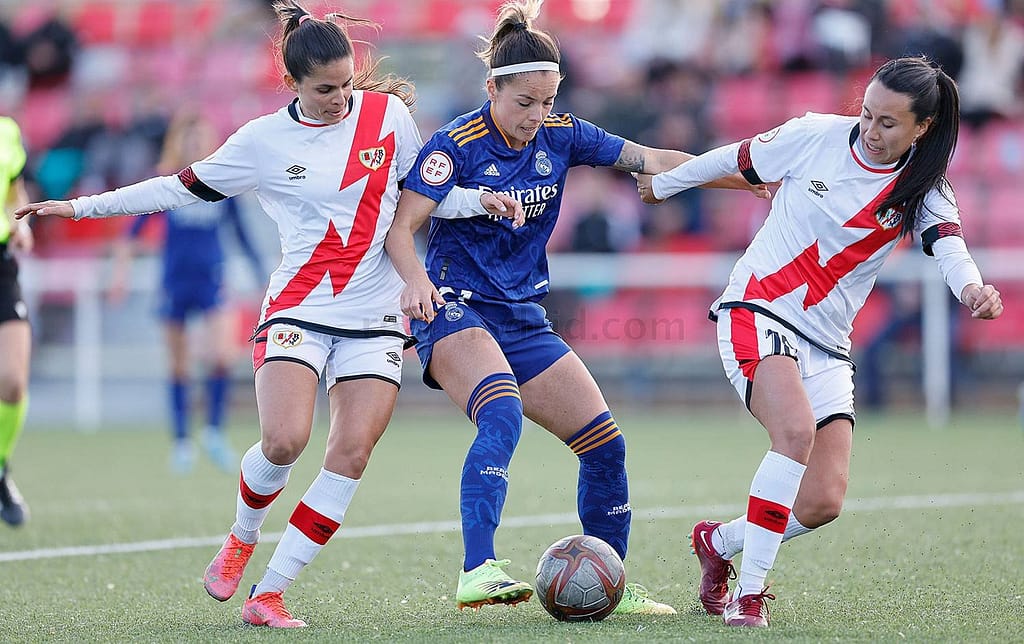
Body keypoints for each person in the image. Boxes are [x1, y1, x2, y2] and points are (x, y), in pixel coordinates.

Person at [17, 0, 518, 628]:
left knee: (352, 454)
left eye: (347, 83)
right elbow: (177, 186)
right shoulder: (261, 141)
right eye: (326, 89)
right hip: (300, 307)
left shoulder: (389, 115)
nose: (341, 99)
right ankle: (240, 536)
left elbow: (421, 198)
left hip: (375, 314)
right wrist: (80, 208)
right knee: (284, 440)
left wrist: (481, 201)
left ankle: (271, 592)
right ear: (294, 84)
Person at [385, 0, 766, 616]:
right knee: (501, 413)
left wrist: (746, 176)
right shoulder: (452, 145)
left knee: (605, 445)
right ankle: (477, 569)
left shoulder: (564, 135)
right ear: (492, 89)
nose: (537, 116)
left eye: (547, 101)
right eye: (524, 103)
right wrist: (413, 283)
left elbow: (656, 161)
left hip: (523, 318)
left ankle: (613, 577)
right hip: (453, 308)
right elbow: (401, 228)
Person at [636, 56, 1004, 627]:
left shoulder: (922, 188)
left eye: (888, 123)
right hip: (756, 308)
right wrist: (664, 185)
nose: (870, 131)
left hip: (828, 344)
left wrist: (974, 289)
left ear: (922, 128)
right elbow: (735, 159)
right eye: (866, 114)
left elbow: (949, 246)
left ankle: (720, 542)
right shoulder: (815, 135)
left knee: (822, 502)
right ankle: (749, 597)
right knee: (794, 433)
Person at [108, 108, 267, 474]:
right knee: (178, 365)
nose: (195, 143)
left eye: (201, 137)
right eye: (189, 137)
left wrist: (261, 275)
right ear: (178, 141)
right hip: (174, 282)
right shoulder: (167, 185)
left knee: (221, 355)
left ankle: (213, 431)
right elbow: (133, 234)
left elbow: (241, 234)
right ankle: (181, 441)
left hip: (211, 279)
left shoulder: (220, 186)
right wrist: (121, 273)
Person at [0, 115, 31, 528]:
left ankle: (1, 469)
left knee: (12, 381)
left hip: (2, 265)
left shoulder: (8, 131)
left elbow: (14, 189)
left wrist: (20, 223)